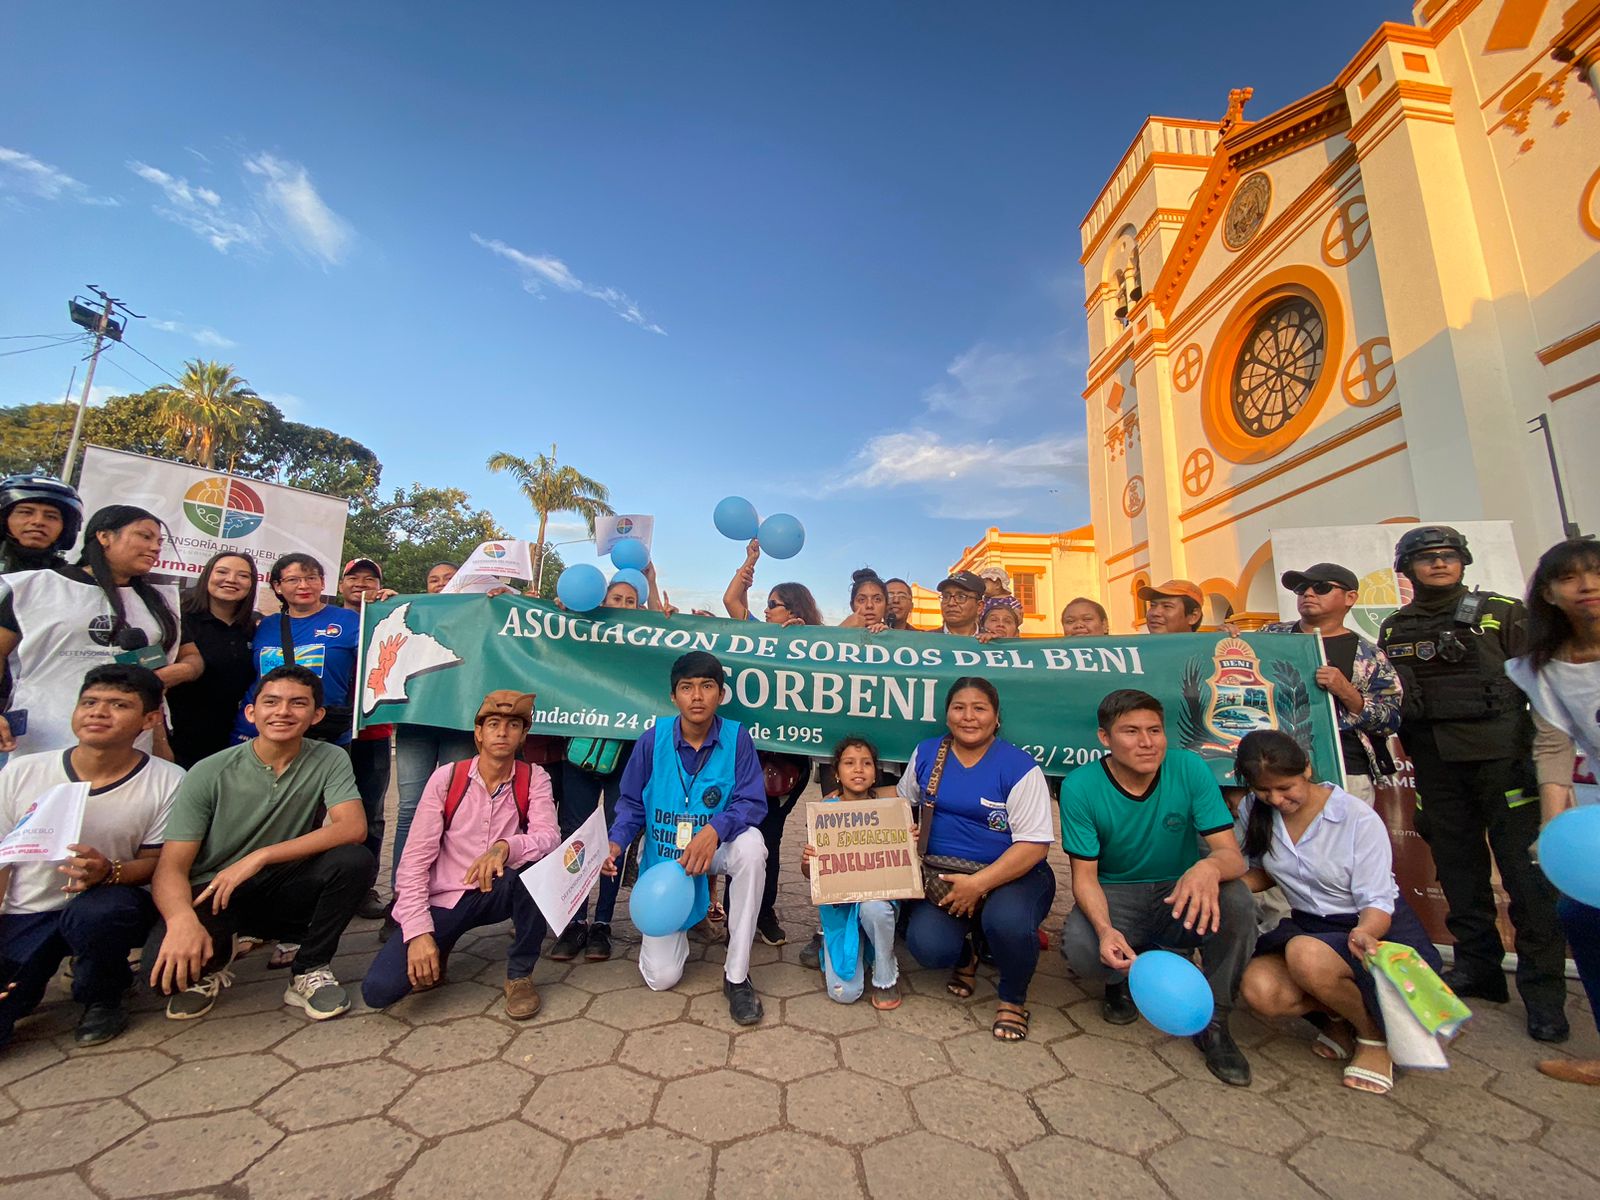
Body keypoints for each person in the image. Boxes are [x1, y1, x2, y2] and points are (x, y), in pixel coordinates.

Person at [1377, 525, 1567, 1042]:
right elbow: (1395, 696)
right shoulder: (1396, 627)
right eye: (1426, 558)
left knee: (1527, 883)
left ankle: (1544, 994)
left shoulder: (1503, 612)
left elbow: (1544, 687)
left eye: (1448, 556)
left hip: (1504, 764)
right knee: (1460, 875)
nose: (1439, 565)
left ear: (1463, 561)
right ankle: (1478, 970)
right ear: (1407, 568)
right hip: (1437, 766)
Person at [147, 664, 370, 1021]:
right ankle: (217, 953)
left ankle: (309, 969)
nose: (283, 712)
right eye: (271, 702)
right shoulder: (209, 771)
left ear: (317, 715)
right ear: (251, 712)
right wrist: (180, 920)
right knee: (163, 979)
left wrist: (260, 856)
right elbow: (171, 867)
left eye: (298, 704)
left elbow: (352, 828)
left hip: (280, 881)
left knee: (353, 860)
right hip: (215, 890)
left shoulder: (330, 758)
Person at [1059, 688, 1255, 1085]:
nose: (1146, 742)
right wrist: (1104, 929)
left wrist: (1208, 869)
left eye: (1155, 730)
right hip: (1118, 893)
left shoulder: (1189, 768)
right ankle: (1121, 980)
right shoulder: (1080, 785)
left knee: (1236, 899)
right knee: (1080, 944)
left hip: (1178, 891)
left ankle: (1214, 1019)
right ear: (1105, 738)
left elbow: (1231, 857)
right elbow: (1084, 877)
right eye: (1131, 731)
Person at [1233, 730, 1441, 1096]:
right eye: (1265, 791)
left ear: (1307, 769)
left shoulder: (1356, 818)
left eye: (1285, 788)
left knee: (1305, 955)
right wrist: (1218, 885)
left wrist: (1367, 932)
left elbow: (1377, 901)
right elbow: (1264, 871)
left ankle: (1375, 1038)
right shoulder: (1253, 809)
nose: (1277, 800)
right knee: (1259, 990)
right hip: (1309, 926)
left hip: (1373, 929)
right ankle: (1337, 1017)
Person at [0, 665, 183, 1048]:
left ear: (149, 720)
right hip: (27, 909)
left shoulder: (168, 780)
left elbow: (157, 862)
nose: (99, 712)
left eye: (118, 705)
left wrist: (109, 871)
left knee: (101, 914)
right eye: (90, 702)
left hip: (106, 900)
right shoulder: (21, 772)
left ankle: (103, 994)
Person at [363, 690, 558, 1018]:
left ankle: (519, 975)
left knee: (539, 870)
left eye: (513, 725)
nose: (502, 732)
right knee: (379, 991)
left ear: (524, 735)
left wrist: (506, 846)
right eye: (493, 724)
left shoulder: (534, 777)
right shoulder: (447, 778)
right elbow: (413, 862)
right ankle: (441, 945)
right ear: (478, 733)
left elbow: (549, 837)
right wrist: (419, 933)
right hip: (444, 898)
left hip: (495, 890)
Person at [602, 651, 769, 1024]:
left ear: (721, 694)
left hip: (714, 847)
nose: (697, 696)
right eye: (687, 687)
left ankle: (737, 975)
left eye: (707, 687)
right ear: (673, 696)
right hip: (667, 858)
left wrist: (715, 829)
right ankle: (684, 918)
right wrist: (616, 842)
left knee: (753, 848)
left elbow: (751, 801)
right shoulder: (652, 739)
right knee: (661, 978)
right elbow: (630, 803)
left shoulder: (738, 738)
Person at [898, 678, 1055, 1041]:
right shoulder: (926, 753)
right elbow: (901, 801)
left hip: (1014, 875)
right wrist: (843, 802)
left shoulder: (1019, 767)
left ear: (996, 717)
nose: (969, 717)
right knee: (929, 947)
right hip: (944, 876)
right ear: (947, 714)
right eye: (959, 708)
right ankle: (968, 948)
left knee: (1008, 923)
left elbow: (1034, 846)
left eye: (979, 708)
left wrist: (979, 885)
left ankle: (1012, 999)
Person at [1506, 537, 1600, 1084]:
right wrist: (1551, 825)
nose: (1586, 587)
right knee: (1581, 917)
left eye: (1595, 573)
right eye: (1570, 578)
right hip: (1590, 812)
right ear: (1549, 593)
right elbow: (1553, 746)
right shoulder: (1546, 665)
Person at [0, 506, 183, 758]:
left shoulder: (160, 602)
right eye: (145, 536)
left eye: (159, 541)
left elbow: (190, 659)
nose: (155, 547)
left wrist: (174, 674)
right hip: (42, 739)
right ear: (104, 537)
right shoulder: (35, 587)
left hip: (133, 743)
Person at [547, 575, 656, 964]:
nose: (623, 605)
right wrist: (555, 613)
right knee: (573, 834)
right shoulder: (578, 631)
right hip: (579, 750)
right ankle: (573, 920)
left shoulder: (646, 638)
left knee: (615, 836)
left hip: (625, 755)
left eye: (631, 601)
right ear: (600, 598)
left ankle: (603, 924)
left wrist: (664, 618)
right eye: (616, 597)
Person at [720, 542, 818, 945]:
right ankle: (733, 913)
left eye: (774, 604)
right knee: (743, 832)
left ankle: (765, 912)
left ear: (794, 611)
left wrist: (807, 640)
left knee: (771, 836)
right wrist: (749, 564)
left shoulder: (818, 645)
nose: (766, 610)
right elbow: (730, 599)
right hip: (748, 758)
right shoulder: (754, 636)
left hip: (788, 763)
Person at [388, 559, 479, 936]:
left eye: (450, 580)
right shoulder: (411, 615)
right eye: (434, 581)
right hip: (415, 724)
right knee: (410, 810)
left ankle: (445, 898)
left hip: (458, 724)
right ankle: (402, 903)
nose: (441, 585)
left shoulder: (478, 619)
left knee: (453, 809)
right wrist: (384, 603)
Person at [1261, 563, 1402, 803]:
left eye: (1321, 587)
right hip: (1273, 767)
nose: (1308, 593)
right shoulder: (1268, 637)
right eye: (1301, 588)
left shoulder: (1368, 655)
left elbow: (1390, 720)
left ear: (1350, 597)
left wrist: (1347, 691)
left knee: (1342, 840)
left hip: (1344, 769)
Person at [802, 737, 903, 1009]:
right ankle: (838, 944)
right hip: (839, 907)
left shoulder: (891, 812)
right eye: (849, 763)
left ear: (876, 774)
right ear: (836, 773)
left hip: (876, 900)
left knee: (874, 909)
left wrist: (907, 839)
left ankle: (885, 971)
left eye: (866, 764)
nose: (858, 769)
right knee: (844, 993)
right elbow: (810, 875)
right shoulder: (824, 813)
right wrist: (807, 860)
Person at [336, 558, 397, 922]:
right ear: (341, 584)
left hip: (374, 731)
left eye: (370, 578)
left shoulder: (389, 616)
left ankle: (363, 888)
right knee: (314, 815)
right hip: (329, 732)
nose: (361, 584)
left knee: (371, 813)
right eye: (353, 578)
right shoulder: (328, 620)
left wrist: (395, 604)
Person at [163, 552, 260, 769]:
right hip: (178, 738)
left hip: (232, 740)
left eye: (243, 576)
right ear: (207, 575)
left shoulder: (251, 627)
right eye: (222, 572)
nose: (231, 580)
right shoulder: (177, 618)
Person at [0, 475, 81, 576]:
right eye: (26, 512)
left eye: (51, 516)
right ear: (4, 519)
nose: (38, 521)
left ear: (66, 528)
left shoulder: (72, 582)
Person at [1139, 580, 1205, 634]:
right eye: (1152, 605)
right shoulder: (1135, 649)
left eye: (1167, 606)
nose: (1155, 613)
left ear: (1194, 616)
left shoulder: (1209, 649)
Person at [934, 570, 986, 636]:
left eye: (961, 597)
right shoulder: (925, 641)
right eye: (946, 597)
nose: (951, 603)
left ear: (979, 607)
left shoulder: (994, 643)